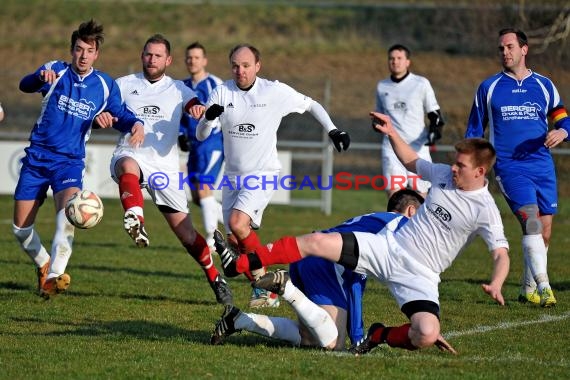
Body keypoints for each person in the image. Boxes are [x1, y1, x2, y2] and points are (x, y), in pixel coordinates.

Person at [215, 111, 510, 354]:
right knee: (316, 242)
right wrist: (392, 132)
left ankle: (380, 334)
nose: (454, 168)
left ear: (480, 172)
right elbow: (410, 160)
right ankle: (240, 265)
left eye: (461, 165)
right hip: (388, 247)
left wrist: (497, 282)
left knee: (427, 333)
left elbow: (501, 254)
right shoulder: (443, 174)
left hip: (421, 275)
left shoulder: (485, 210)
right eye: (455, 163)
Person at [195, 43, 350, 308]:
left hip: (263, 173)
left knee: (237, 223)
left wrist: (333, 129)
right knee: (236, 240)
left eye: (245, 65)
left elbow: (311, 104)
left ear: (258, 66)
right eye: (235, 65)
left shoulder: (273, 91)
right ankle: (268, 287)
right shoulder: (221, 92)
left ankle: (266, 289)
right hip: (232, 177)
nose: (240, 71)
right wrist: (208, 118)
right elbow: (201, 135)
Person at [12, 19, 145, 300]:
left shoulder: (105, 85)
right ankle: (44, 263)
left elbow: (120, 115)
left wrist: (136, 124)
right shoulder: (56, 70)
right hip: (37, 157)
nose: (83, 55)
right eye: (79, 49)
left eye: (89, 50)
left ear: (97, 54)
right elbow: (25, 85)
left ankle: (53, 277)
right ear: (72, 50)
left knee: (68, 216)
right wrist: (39, 78)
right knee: (20, 230)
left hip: (69, 162)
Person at [97, 34, 232, 305]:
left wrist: (197, 111)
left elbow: (194, 105)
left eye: (158, 55)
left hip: (165, 170)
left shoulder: (179, 89)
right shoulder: (123, 85)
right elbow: (101, 111)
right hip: (131, 153)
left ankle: (215, 277)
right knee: (127, 165)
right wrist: (101, 118)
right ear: (141, 56)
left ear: (168, 60)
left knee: (188, 236)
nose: (152, 60)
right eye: (148, 54)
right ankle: (135, 217)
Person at [210, 189, 426, 351]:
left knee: (309, 337)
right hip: (325, 265)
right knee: (334, 343)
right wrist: (358, 336)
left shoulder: (375, 220)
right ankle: (286, 288)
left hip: (306, 256)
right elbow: (356, 282)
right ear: (412, 211)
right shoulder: (400, 226)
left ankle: (239, 319)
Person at [466, 28, 570, 308]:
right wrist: (475, 164)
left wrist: (563, 133)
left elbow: (563, 118)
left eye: (510, 47)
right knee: (532, 223)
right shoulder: (489, 88)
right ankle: (545, 287)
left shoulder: (545, 85)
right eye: (501, 48)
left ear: (524, 49)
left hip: (543, 166)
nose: (505, 52)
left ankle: (526, 288)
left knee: (544, 231)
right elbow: (475, 131)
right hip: (510, 167)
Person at [375, 44, 445, 198]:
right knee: (395, 196)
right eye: (391, 58)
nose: (395, 62)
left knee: (420, 195)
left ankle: (421, 222)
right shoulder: (382, 86)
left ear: (408, 62)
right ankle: (396, 222)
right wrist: (376, 123)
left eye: (399, 58)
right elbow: (379, 115)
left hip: (417, 147)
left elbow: (435, 114)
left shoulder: (421, 83)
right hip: (391, 147)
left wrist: (435, 131)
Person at [178, 42, 225, 252]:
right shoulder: (182, 86)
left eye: (196, 57)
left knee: (205, 189)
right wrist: (181, 134)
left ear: (204, 61)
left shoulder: (215, 84)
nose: (192, 61)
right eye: (189, 57)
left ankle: (212, 240)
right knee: (198, 196)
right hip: (194, 147)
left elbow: (228, 114)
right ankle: (234, 219)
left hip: (211, 144)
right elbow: (176, 115)